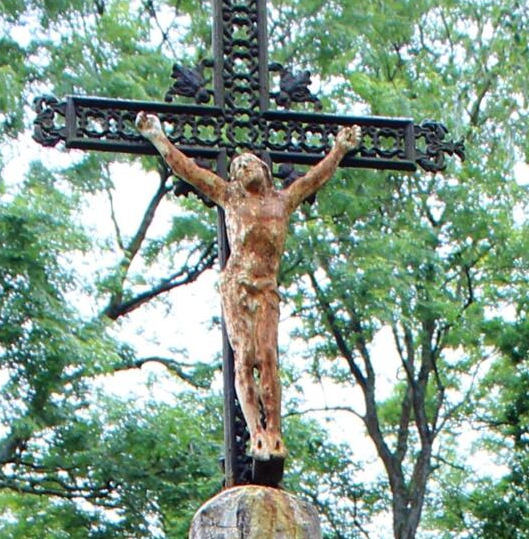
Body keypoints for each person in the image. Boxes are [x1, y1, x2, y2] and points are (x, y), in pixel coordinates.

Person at [134, 115, 361, 466]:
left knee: (267, 356)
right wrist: (157, 137)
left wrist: (340, 149)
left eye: (249, 164)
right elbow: (187, 170)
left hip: (266, 287)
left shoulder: (283, 201)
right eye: (238, 168)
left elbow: (315, 177)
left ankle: (274, 431)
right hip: (237, 285)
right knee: (245, 357)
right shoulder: (229, 197)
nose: (244, 169)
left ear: (265, 171)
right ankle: (256, 431)